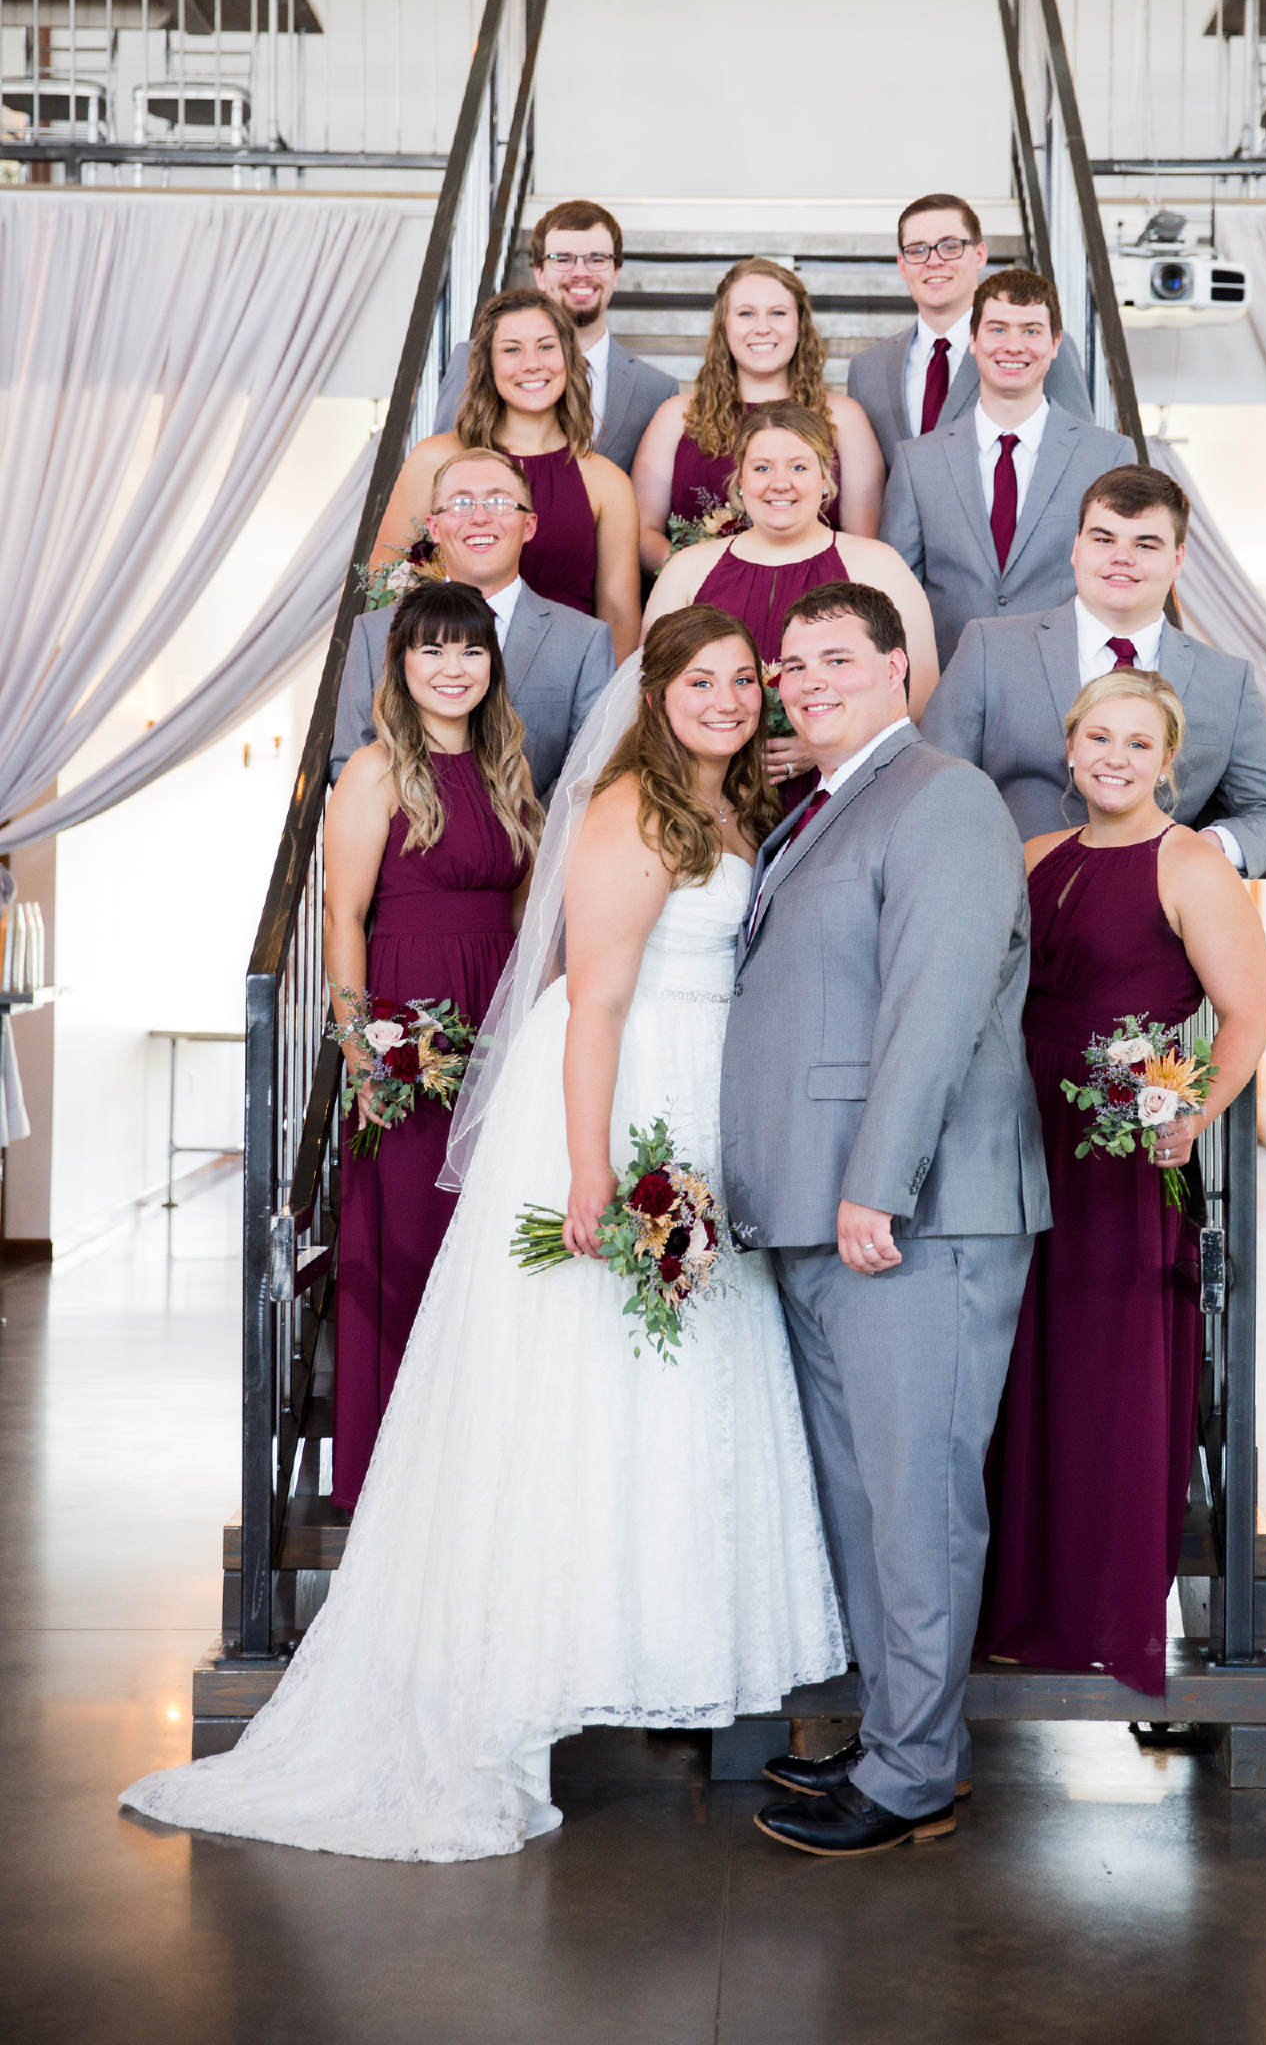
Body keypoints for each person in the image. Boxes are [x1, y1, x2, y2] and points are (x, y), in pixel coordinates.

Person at [120, 606, 844, 1861]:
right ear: (657, 690)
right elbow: (597, 1006)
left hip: (709, 1095)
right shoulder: (629, 810)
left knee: (675, 1390)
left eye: (744, 682)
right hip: (622, 1100)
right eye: (702, 681)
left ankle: (659, 1634)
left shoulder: (735, 806)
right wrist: (590, 1175)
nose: (726, 700)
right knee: (580, 1386)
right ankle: (532, 1662)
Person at [720, 581, 1049, 1858]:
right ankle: (898, 1735)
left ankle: (918, 1773)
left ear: (901, 668)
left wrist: (877, 1182)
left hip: (916, 1213)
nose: (805, 682)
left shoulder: (945, 797)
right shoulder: (829, 803)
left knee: (916, 1500)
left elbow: (935, 1006)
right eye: (790, 666)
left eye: (835, 659)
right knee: (864, 1498)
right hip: (825, 1213)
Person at [977, 668, 1266, 1694]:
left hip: (1120, 1142)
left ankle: (1097, 1604)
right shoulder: (1031, 857)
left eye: (1136, 745)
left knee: (1106, 1373)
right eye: (1097, 738)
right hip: (1014, 1129)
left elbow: (1243, 1018)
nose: (1112, 757)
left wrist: (1192, 1113)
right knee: (1018, 1366)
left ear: (1167, 763)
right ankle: (1009, 1603)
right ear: (1067, 747)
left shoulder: (1189, 864)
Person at [323, 581, 539, 1508]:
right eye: (432, 653)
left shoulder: (509, 768)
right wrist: (359, 1048)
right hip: (412, 1019)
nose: (453, 670)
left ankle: (480, 1459)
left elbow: (527, 903)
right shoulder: (373, 770)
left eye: (471, 653)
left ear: (492, 667)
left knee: (484, 1240)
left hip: (499, 1013)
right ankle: (402, 1475)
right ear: (401, 667)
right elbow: (343, 912)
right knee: (413, 1233)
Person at [923, 464, 1266, 877]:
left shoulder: (1228, 682)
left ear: (1177, 559)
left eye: (1146, 544)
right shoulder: (989, 649)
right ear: (1076, 548)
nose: (1121, 557)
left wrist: (1195, 850)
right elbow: (932, 793)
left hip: (1152, 921)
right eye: (1104, 539)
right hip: (1011, 911)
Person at [643, 405, 940, 799]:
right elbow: (652, 692)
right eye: (762, 468)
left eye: (798, 467)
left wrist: (825, 740)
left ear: (825, 480)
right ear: (739, 482)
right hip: (711, 796)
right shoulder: (686, 570)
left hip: (842, 791)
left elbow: (919, 693)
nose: (779, 483)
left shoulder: (878, 564)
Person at [881, 267, 1134, 666]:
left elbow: (1122, 585)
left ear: (1055, 344)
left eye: (1031, 331)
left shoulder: (1107, 456)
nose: (1013, 346)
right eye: (998, 329)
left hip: (1070, 684)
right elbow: (895, 594)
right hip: (946, 682)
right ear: (973, 340)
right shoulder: (917, 462)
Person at [331, 448, 615, 803]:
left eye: (499, 502)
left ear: (529, 526)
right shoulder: (374, 633)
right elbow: (348, 760)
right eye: (460, 503)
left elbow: (590, 769)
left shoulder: (585, 641)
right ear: (433, 528)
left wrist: (528, 841)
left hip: (535, 849)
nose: (480, 517)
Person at [374, 289, 641, 664]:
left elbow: (620, 616)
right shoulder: (435, 459)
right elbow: (380, 586)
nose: (531, 364)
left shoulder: (607, 482)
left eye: (546, 347)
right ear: (488, 364)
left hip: (562, 683)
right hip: (447, 677)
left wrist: (602, 712)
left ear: (569, 358)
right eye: (512, 349)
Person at [631, 258, 885, 571]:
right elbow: (641, 533)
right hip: (700, 608)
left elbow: (865, 545)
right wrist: (697, 576)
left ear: (800, 326)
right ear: (724, 326)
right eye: (746, 313)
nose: (762, 327)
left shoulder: (844, 419)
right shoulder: (676, 417)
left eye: (777, 313)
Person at [432, 199, 678, 475]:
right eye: (563, 259)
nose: (581, 272)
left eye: (597, 259)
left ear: (616, 273)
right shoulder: (474, 359)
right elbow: (443, 472)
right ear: (539, 273)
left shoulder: (656, 390)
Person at [849, 192, 1094, 468]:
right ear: (902, 265)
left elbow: (1080, 452)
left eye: (950, 246)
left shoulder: (1032, 350)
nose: (933, 261)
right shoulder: (867, 368)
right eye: (917, 250)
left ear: (979, 255)